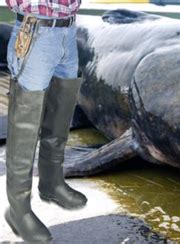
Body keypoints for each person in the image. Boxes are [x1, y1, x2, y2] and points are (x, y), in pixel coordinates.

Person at [4, 0, 87, 242]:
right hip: (35, 32)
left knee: (61, 114)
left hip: (68, 32)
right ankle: (18, 209)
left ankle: (52, 183)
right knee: (25, 126)